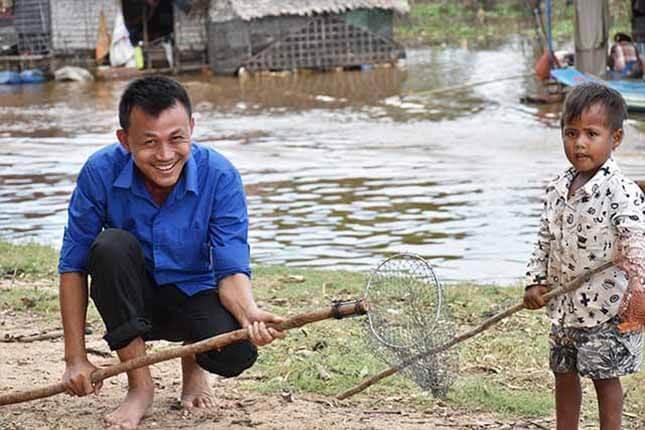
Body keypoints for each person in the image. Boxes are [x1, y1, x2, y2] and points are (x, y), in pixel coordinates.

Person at [58, 76, 285, 430]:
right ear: (124, 140)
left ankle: (193, 366)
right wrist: (75, 358)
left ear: (192, 128)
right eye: (149, 143)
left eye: (176, 138)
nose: (165, 155)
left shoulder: (220, 175)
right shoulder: (100, 171)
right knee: (109, 246)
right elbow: (72, 266)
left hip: (192, 296)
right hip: (132, 302)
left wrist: (250, 314)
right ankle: (140, 387)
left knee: (237, 354)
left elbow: (230, 269)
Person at [524, 82, 644, 430]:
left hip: (608, 307)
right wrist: (535, 281)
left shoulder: (621, 191)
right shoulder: (558, 187)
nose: (579, 143)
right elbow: (544, 237)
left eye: (592, 134)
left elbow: (636, 242)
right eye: (571, 133)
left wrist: (639, 289)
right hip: (565, 306)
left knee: (605, 379)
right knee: (564, 372)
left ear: (615, 138)